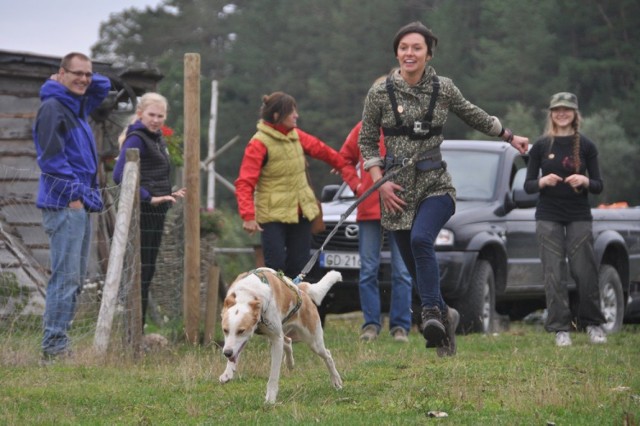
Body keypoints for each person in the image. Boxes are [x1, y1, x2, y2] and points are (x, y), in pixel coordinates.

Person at [358, 22, 528, 357]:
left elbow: (473, 115)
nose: (410, 53)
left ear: (428, 53)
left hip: (436, 184)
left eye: (417, 48)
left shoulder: (443, 88)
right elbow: (366, 141)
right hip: (396, 193)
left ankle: (431, 314)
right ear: (397, 52)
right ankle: (445, 317)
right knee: (415, 267)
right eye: (404, 47)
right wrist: (381, 182)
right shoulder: (379, 93)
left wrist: (509, 136)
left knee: (422, 240)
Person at [33, 52, 111, 361]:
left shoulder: (76, 106)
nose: (84, 79)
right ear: (60, 73)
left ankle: (59, 345)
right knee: (65, 279)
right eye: (76, 73)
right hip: (66, 205)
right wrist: (74, 196)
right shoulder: (53, 108)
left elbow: (102, 86)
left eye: (87, 74)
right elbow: (51, 158)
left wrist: (80, 78)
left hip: (77, 205)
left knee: (75, 278)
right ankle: (53, 348)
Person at [524, 92, 607, 347]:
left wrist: (584, 181)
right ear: (551, 113)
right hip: (548, 215)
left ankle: (593, 324)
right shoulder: (540, 146)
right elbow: (527, 186)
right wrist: (542, 181)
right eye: (557, 109)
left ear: (575, 114)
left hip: (578, 215)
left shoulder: (587, 146)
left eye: (567, 110)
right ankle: (560, 328)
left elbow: (598, 185)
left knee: (585, 270)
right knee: (553, 271)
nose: (562, 113)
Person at [235, 91, 346, 279]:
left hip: (300, 212)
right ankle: (278, 306)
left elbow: (323, 150)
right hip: (272, 216)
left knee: (300, 266)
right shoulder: (258, 143)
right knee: (275, 266)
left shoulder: (296, 135)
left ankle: (299, 306)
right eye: (291, 111)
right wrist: (248, 216)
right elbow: (245, 182)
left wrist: (344, 165)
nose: (296, 115)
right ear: (277, 116)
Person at [113, 92, 186, 329]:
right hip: (143, 214)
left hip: (156, 212)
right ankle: (134, 328)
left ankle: (138, 327)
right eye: (151, 115)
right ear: (140, 114)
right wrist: (149, 198)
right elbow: (119, 175)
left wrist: (167, 193)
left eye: (160, 116)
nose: (156, 120)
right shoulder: (136, 138)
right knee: (141, 271)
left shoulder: (155, 138)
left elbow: (153, 174)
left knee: (148, 270)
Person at [339, 121, 413, 343]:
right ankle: (371, 325)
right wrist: (357, 185)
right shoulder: (362, 129)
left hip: (400, 207)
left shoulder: (407, 127)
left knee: (402, 272)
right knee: (368, 270)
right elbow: (344, 159)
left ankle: (400, 327)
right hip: (369, 209)